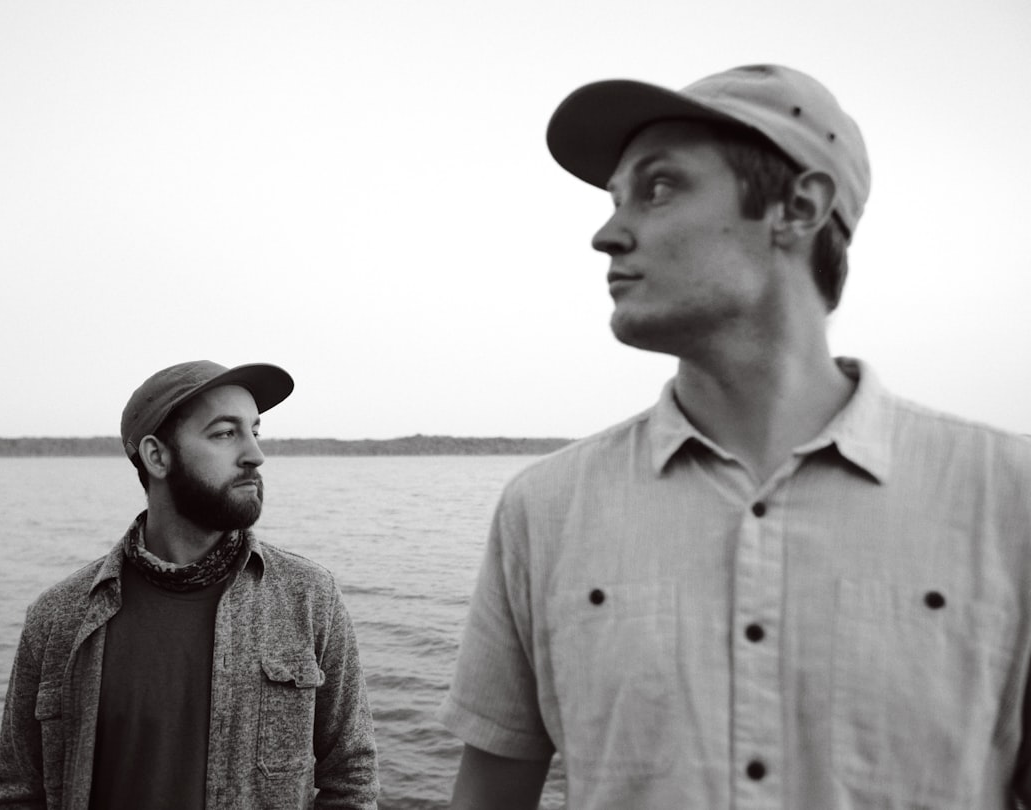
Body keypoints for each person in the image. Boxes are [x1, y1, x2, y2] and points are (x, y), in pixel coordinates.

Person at [439, 64, 1031, 808]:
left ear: (797, 205)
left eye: (657, 189)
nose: (606, 232)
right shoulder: (544, 507)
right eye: (615, 198)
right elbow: (490, 793)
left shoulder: (1008, 498)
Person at [0, 360, 379, 809]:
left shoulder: (308, 596)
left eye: (255, 431)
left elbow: (351, 777)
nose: (255, 454)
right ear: (157, 456)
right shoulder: (58, 616)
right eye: (225, 433)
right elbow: (18, 793)